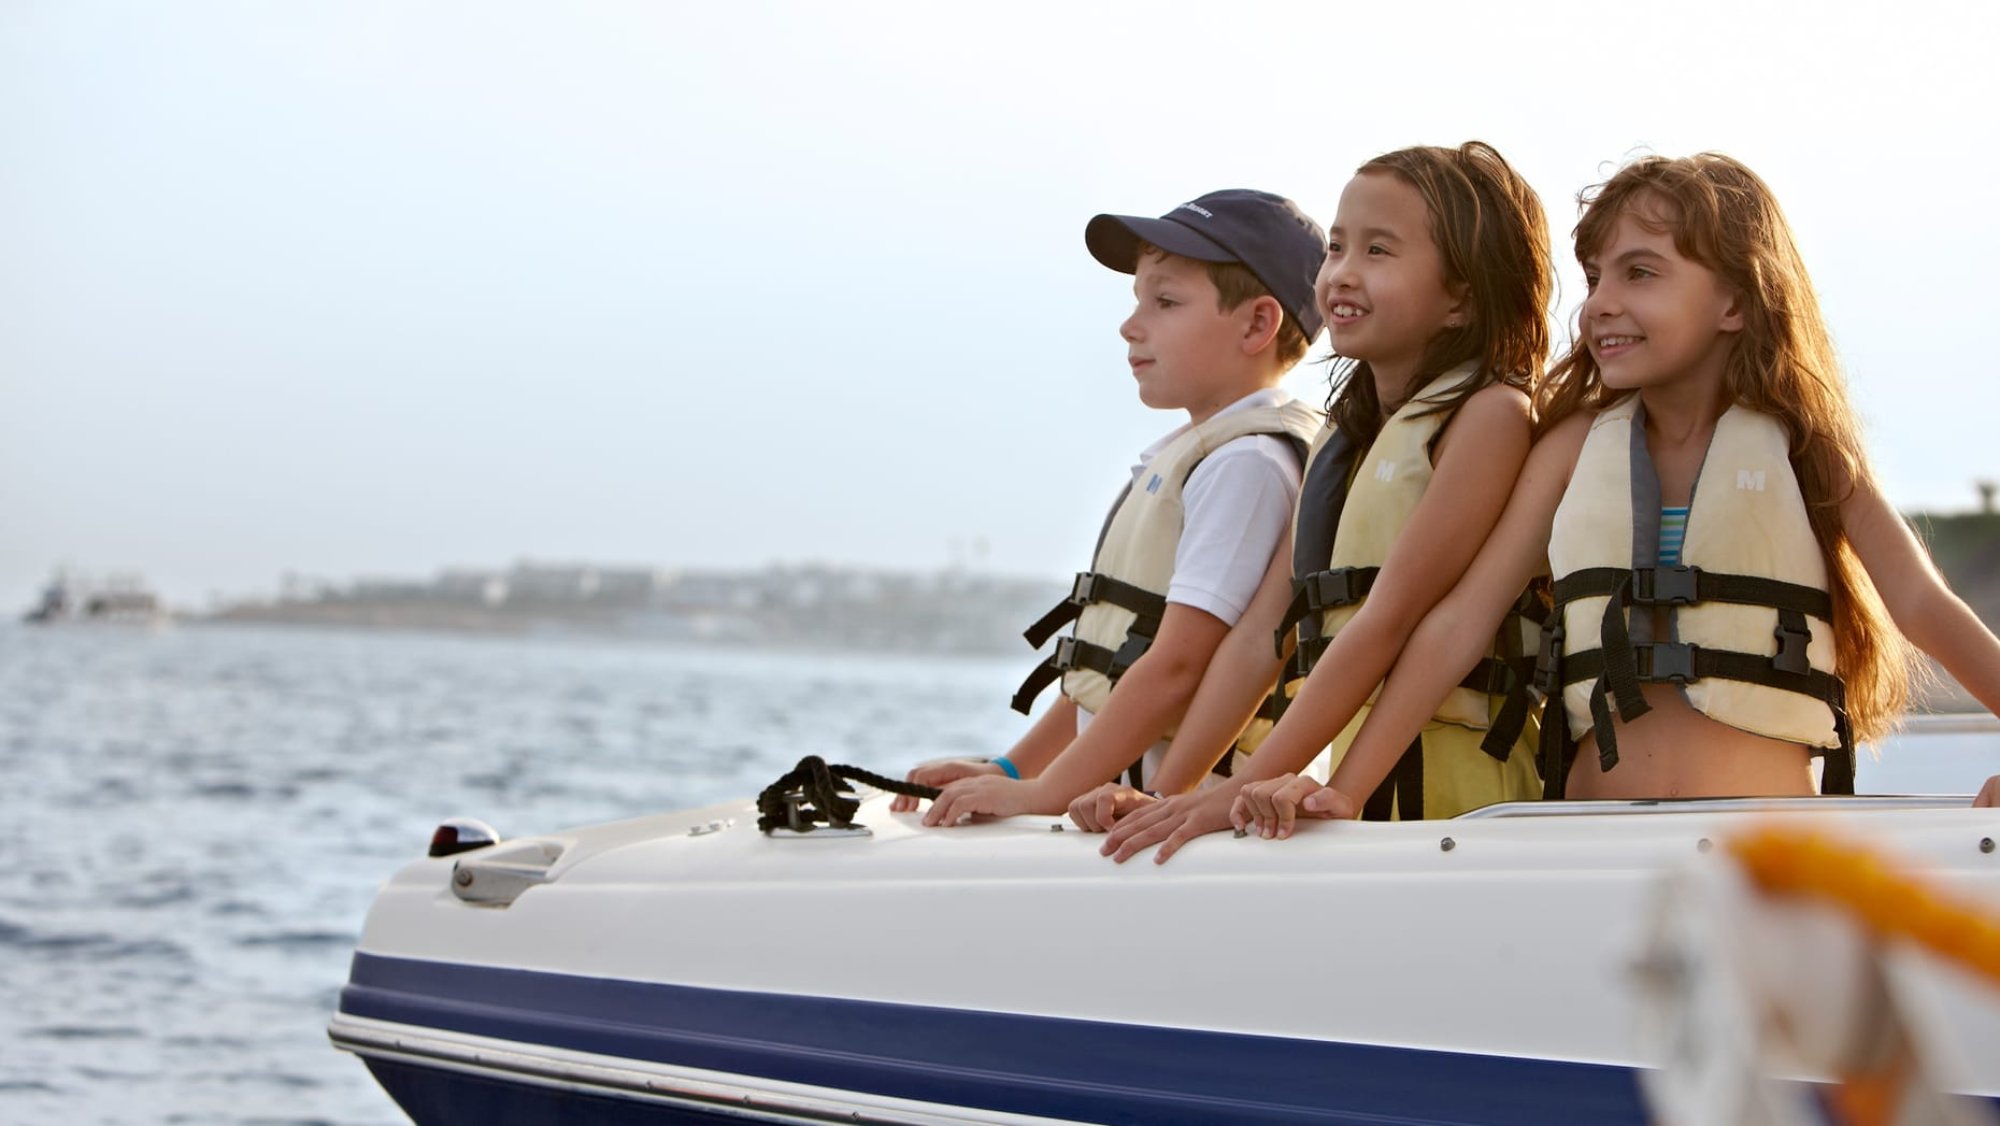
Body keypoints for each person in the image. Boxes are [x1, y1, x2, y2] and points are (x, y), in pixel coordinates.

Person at [1217, 152, 2000, 843]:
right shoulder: (1569, 448)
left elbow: (1922, 606)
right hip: (1590, 843)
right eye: (1594, 278)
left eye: (1640, 273)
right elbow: (1458, 624)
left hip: (1761, 845)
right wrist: (1347, 789)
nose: (1599, 303)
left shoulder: (1805, 451)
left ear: (1736, 302)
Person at [1080, 141, 1554, 852]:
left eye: (1378, 251)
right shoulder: (1345, 436)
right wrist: (1170, 797)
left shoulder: (1489, 417)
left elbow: (1391, 619)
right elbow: (1261, 639)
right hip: (1361, 798)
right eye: (1336, 248)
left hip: (1462, 802)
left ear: (1461, 296)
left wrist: (1248, 789)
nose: (1343, 273)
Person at [889, 188, 1328, 825]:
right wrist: (1014, 771)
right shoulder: (1196, 453)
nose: (1131, 325)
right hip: (1112, 801)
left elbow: (1177, 666)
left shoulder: (1246, 466)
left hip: (1173, 817)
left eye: (1166, 302)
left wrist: (1044, 795)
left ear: (1257, 325)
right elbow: (1112, 669)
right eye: (1137, 301)